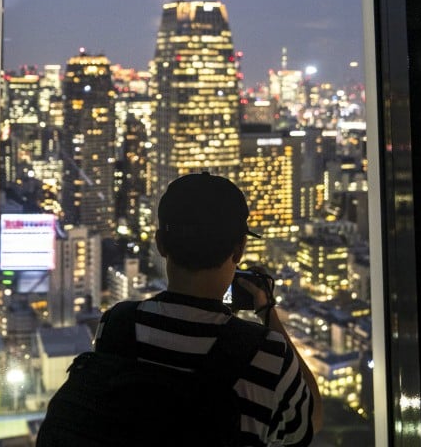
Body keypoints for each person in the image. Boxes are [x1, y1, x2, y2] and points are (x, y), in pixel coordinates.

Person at [93, 172, 323, 446]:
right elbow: (309, 421)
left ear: (160, 244)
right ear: (239, 251)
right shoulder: (266, 355)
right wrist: (267, 312)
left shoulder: (116, 325)